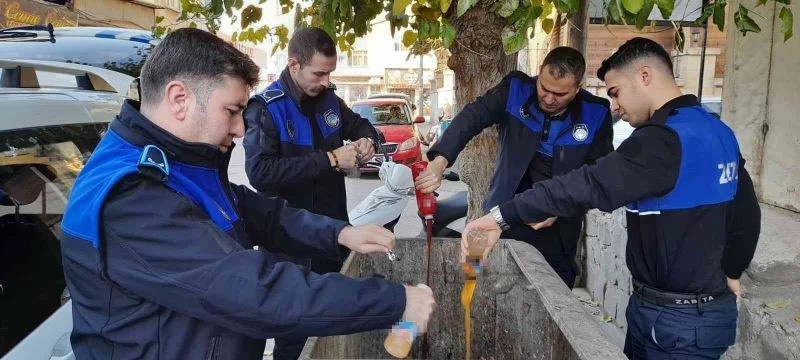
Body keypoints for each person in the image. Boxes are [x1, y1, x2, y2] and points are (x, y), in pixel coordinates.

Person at [60, 28, 435, 360]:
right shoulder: (131, 197)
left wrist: (338, 232)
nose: (241, 129)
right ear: (179, 99)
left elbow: (255, 210)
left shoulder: (181, 161)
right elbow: (255, 292)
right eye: (233, 111)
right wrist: (395, 301)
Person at [462, 37, 761, 359]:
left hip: (677, 324)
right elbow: (747, 212)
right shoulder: (716, 130)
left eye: (616, 92)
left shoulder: (663, 141)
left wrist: (499, 216)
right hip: (688, 312)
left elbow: (585, 184)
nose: (615, 107)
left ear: (644, 76)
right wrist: (732, 270)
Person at [415, 47, 613, 288]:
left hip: (557, 225)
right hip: (502, 212)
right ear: (538, 74)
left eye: (560, 94)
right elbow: (472, 117)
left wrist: (561, 208)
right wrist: (439, 160)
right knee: (482, 283)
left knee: (552, 294)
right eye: (544, 88)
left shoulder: (596, 114)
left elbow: (598, 177)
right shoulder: (515, 91)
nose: (549, 99)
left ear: (578, 88)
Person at [244, 27, 381, 274]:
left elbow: (362, 126)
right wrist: (330, 159)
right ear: (294, 65)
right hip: (288, 245)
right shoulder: (266, 108)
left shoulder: (329, 100)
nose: (326, 82)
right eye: (319, 74)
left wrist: (368, 141)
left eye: (329, 73)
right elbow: (260, 173)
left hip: (333, 236)